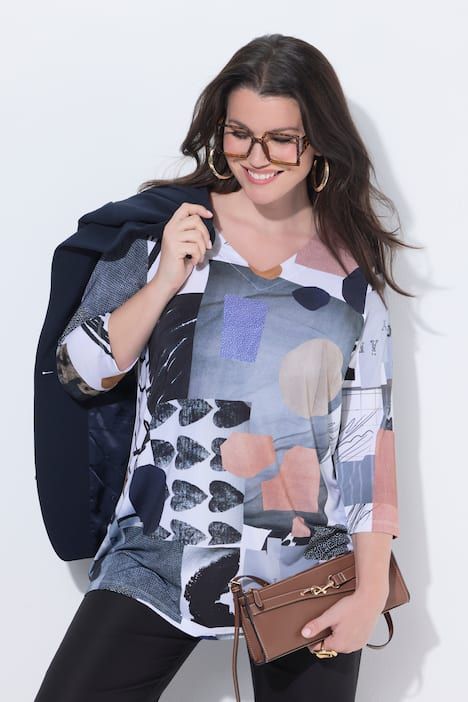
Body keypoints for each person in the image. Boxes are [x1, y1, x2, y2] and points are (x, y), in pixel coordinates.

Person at [34, 32, 411, 702]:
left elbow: (364, 446)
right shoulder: (165, 233)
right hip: (158, 557)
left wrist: (370, 591)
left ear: (318, 143)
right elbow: (79, 372)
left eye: (282, 139)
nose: (257, 158)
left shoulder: (350, 283)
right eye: (240, 134)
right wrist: (163, 282)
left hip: (305, 569)